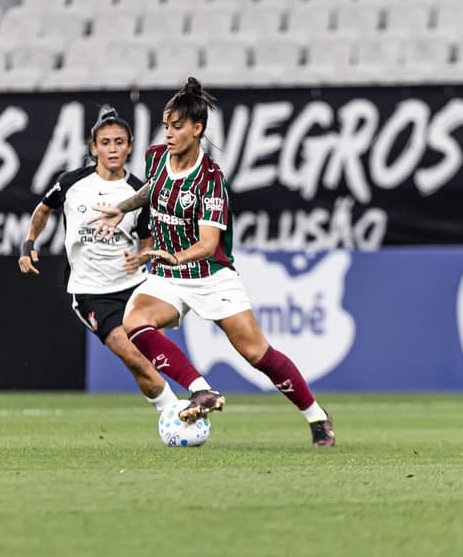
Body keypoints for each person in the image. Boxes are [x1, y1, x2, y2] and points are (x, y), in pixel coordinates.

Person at [90, 78, 335, 446]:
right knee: (134, 322)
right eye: (166, 125)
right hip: (167, 275)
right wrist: (120, 208)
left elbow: (208, 244)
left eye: (177, 126)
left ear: (197, 129)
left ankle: (316, 416)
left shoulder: (209, 182)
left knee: (257, 353)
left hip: (210, 276)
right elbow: (153, 188)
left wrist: (171, 254)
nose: (168, 133)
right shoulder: (157, 157)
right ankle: (201, 390)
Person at [19, 105, 225, 414]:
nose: (112, 148)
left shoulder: (139, 191)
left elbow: (148, 240)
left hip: (135, 288)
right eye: (105, 142)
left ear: (129, 147)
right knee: (132, 355)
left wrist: (142, 258)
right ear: (94, 148)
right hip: (91, 292)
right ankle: (178, 412)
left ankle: (174, 413)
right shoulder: (71, 183)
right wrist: (29, 242)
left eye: (119, 142)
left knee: (145, 362)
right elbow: (44, 209)